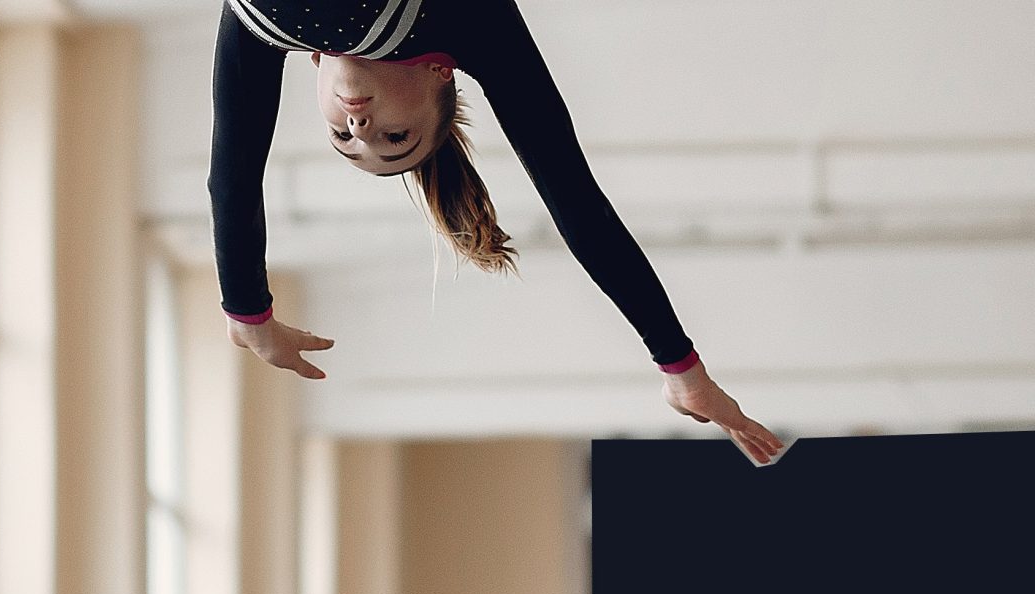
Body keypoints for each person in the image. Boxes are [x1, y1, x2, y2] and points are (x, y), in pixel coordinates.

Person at [210, 0, 787, 465]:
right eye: (393, 138)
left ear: (313, 65)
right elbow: (576, 203)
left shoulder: (260, 30)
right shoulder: (467, 20)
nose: (360, 126)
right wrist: (680, 366)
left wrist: (248, 313)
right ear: (442, 72)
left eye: (343, 136)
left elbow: (233, 172)